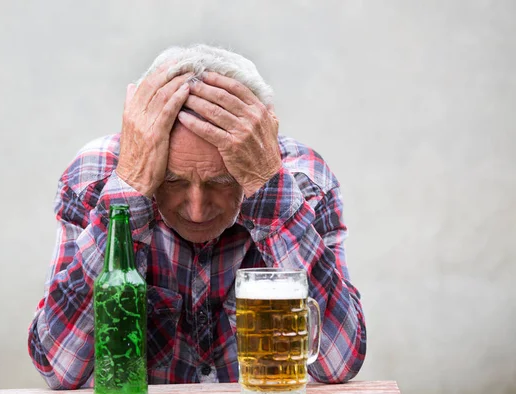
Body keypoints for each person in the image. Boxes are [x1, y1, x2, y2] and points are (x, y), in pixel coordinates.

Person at [27, 44, 366, 389]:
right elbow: (60, 369)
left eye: (220, 181)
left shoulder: (307, 182)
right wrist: (130, 187)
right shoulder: (92, 177)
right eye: (171, 180)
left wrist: (267, 186)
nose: (196, 209)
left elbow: (336, 364)